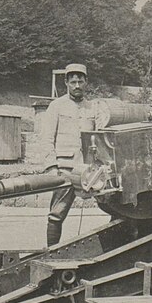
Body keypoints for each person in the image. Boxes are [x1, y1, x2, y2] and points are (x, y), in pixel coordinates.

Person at [38, 63, 108, 246]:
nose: (77, 86)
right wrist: (52, 167)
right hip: (66, 169)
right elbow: (46, 138)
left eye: (80, 81)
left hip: (90, 170)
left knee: (111, 204)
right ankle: (52, 251)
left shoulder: (92, 107)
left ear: (86, 82)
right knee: (57, 214)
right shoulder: (56, 106)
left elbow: (101, 136)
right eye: (73, 82)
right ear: (66, 83)